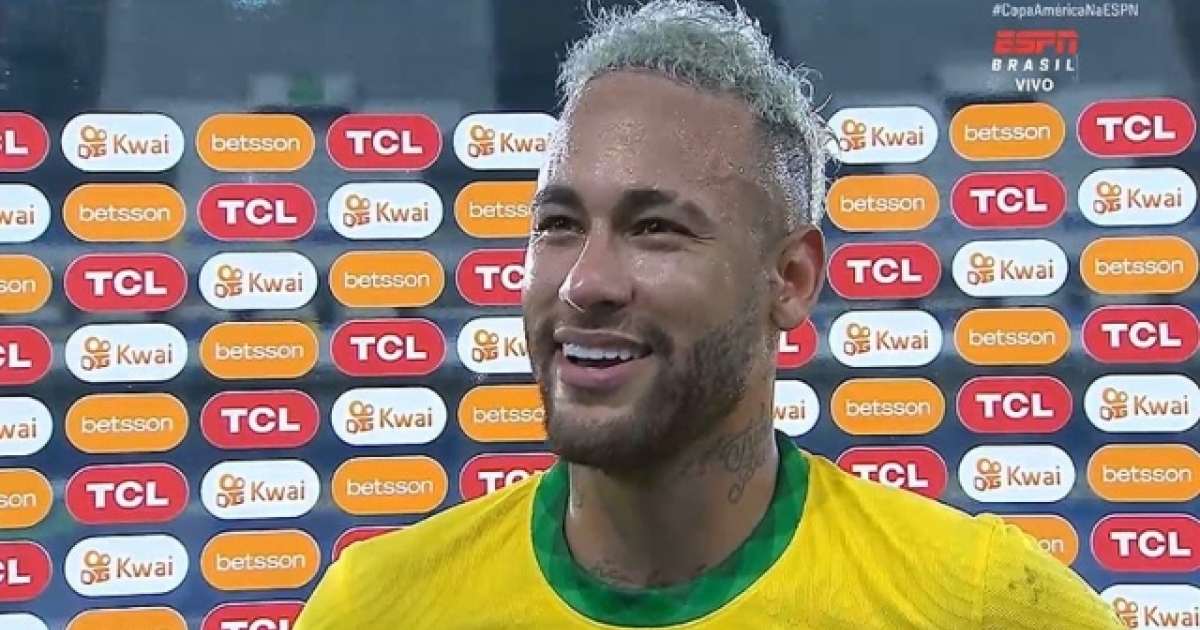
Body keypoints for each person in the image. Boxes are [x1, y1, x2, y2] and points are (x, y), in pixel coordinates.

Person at [294, 1, 1125, 628]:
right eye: (559, 224)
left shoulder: (979, 602)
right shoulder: (375, 607)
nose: (585, 282)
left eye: (655, 229)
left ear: (790, 279)